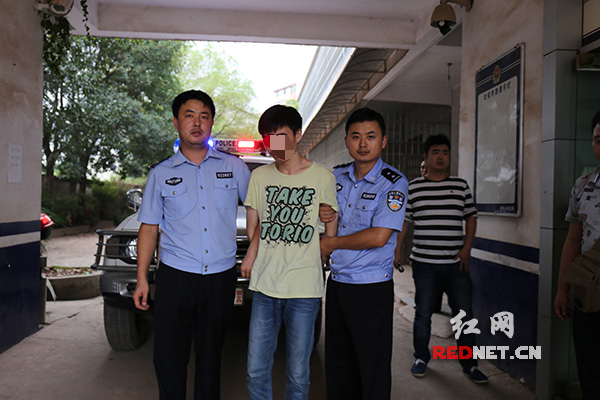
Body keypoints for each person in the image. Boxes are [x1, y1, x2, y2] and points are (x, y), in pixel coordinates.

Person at [132, 90, 251, 400]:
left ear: (211, 123)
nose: (197, 123)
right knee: (169, 357)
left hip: (220, 277)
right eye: (189, 115)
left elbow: (258, 212)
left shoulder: (235, 168)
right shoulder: (160, 173)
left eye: (204, 116)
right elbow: (149, 227)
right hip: (175, 276)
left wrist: (253, 253)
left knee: (211, 357)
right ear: (176, 122)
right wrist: (142, 278)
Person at [241, 105, 338, 400]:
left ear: (297, 135)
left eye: (281, 138)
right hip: (265, 285)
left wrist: (328, 224)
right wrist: (253, 252)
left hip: (304, 288)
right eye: (268, 140)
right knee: (256, 370)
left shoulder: (322, 177)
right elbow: (254, 228)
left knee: (298, 373)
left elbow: (329, 233)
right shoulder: (260, 177)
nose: (275, 147)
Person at [319, 107, 408, 400]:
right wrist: (324, 213)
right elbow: (329, 215)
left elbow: (379, 236)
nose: (363, 143)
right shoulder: (337, 176)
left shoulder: (393, 182)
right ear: (347, 141)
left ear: (383, 141)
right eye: (356, 137)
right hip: (338, 284)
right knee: (338, 364)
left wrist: (330, 244)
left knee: (371, 368)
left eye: (371, 136)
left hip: (371, 288)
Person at [396, 133, 487, 384]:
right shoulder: (414, 187)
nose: (440, 157)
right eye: (435, 152)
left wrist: (467, 248)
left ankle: (469, 365)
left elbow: (471, 217)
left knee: (464, 315)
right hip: (424, 264)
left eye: (445, 153)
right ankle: (421, 358)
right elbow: (405, 221)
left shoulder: (460, 186)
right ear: (426, 157)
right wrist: (396, 249)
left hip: (456, 264)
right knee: (423, 313)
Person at [554, 110, 600, 399]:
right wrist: (562, 289)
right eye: (598, 140)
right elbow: (572, 241)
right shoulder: (583, 186)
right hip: (588, 295)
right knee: (591, 375)